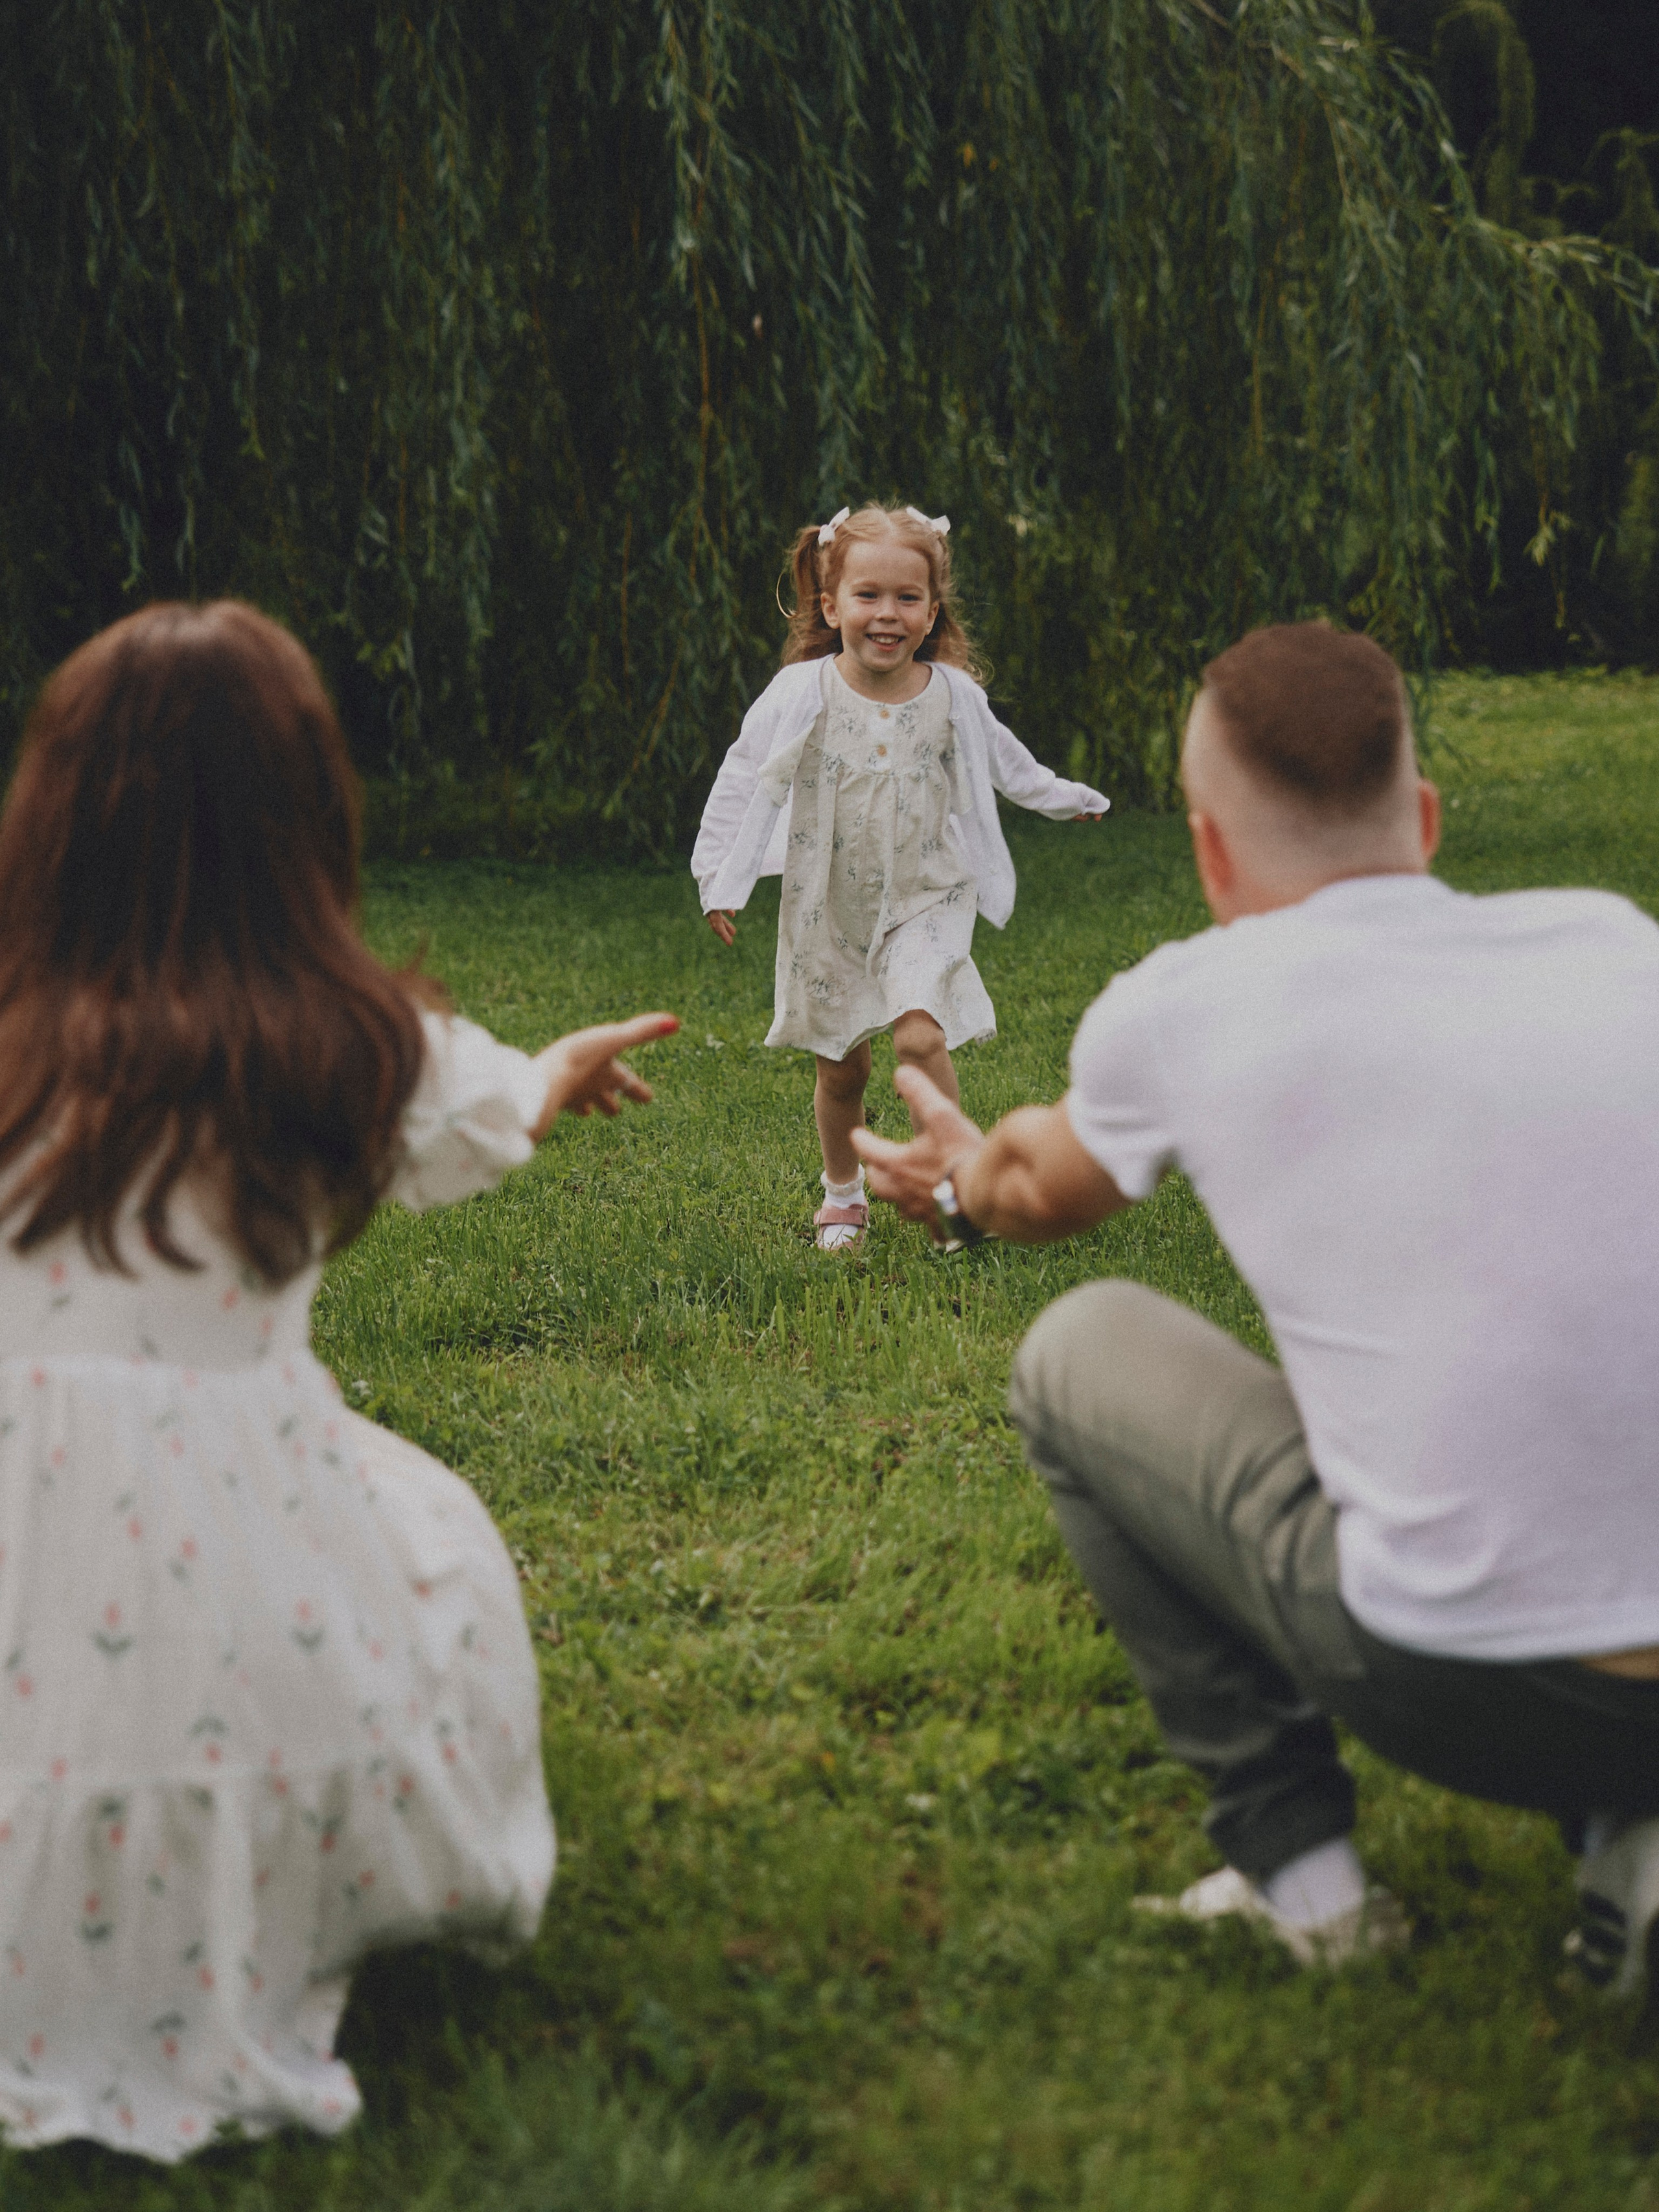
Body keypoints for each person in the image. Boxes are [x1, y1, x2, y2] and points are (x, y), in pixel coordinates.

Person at [853, 620, 1659, 1988]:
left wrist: (954, 1181)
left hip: (1468, 1683)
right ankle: (1624, 1834)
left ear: (1209, 853)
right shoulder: (1614, 940)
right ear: (1424, 817)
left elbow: (1026, 1189)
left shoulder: (1184, 1007)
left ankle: (1307, 1882)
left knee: (1076, 1348)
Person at [0, 601, 676, 2160]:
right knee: (434, 1534)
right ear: (302, 820)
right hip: (243, 1592)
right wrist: (554, 1073)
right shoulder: (347, 1045)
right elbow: (489, 1101)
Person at [691, 501, 1108, 1250]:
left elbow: (1009, 763)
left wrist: (1065, 798)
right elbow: (744, 773)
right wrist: (717, 876)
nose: (887, 615)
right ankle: (843, 1194)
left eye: (907, 598)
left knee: (920, 1036)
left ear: (932, 608)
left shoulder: (952, 696)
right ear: (831, 604)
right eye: (867, 596)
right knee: (842, 1067)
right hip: (830, 904)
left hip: (927, 893)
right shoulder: (802, 691)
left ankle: (958, 1190)